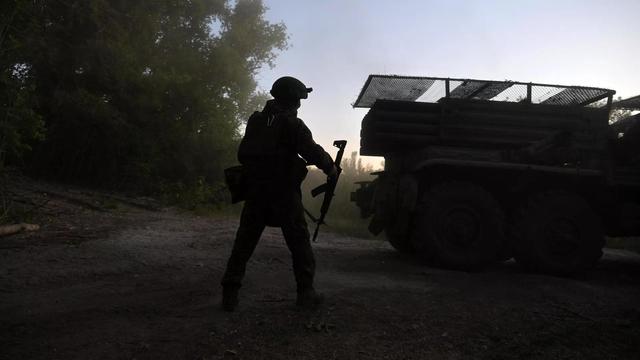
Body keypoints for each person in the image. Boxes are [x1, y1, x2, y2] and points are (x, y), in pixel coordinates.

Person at [221, 76, 338, 311]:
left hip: (256, 190)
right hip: (283, 192)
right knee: (299, 242)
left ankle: (229, 294)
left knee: (244, 241)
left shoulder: (256, 120)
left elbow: (243, 153)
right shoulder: (293, 125)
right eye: (299, 99)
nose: (300, 104)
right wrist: (331, 167)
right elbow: (311, 151)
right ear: (293, 100)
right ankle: (306, 293)